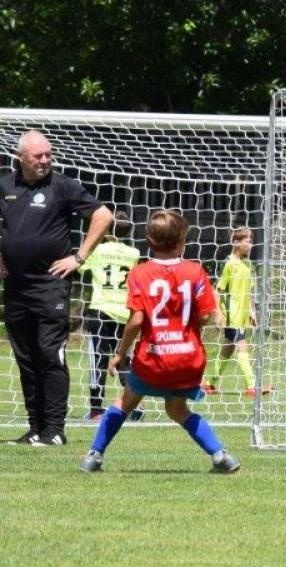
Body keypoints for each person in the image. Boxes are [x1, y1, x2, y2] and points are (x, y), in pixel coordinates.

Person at [79, 209, 240, 474]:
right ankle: (222, 456)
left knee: (124, 403)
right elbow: (206, 315)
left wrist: (120, 353)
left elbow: (135, 321)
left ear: (148, 241)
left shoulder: (140, 273)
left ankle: (94, 456)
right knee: (177, 410)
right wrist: (186, 326)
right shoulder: (195, 271)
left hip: (153, 358)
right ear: (182, 241)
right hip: (188, 357)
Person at [1, 129, 113, 446]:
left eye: (48, 154)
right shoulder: (5, 185)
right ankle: (35, 428)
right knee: (25, 358)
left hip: (50, 286)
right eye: (38, 156)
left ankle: (54, 431)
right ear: (20, 157)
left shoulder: (63, 186)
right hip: (16, 287)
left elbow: (102, 215)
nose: (45, 160)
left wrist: (79, 256)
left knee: (50, 354)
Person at [77, 210, 141, 419]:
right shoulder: (134, 254)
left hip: (101, 309)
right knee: (124, 359)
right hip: (124, 312)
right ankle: (135, 407)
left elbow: (80, 267)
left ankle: (96, 409)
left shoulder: (97, 250)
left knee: (98, 359)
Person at [210, 226, 269, 397]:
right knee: (242, 345)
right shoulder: (230, 264)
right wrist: (219, 314)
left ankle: (209, 383)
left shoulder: (246, 265)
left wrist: (251, 312)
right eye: (247, 242)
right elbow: (217, 290)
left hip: (241, 315)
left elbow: (248, 292)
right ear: (236, 243)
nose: (250, 245)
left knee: (228, 348)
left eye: (251, 242)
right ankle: (252, 386)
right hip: (231, 315)